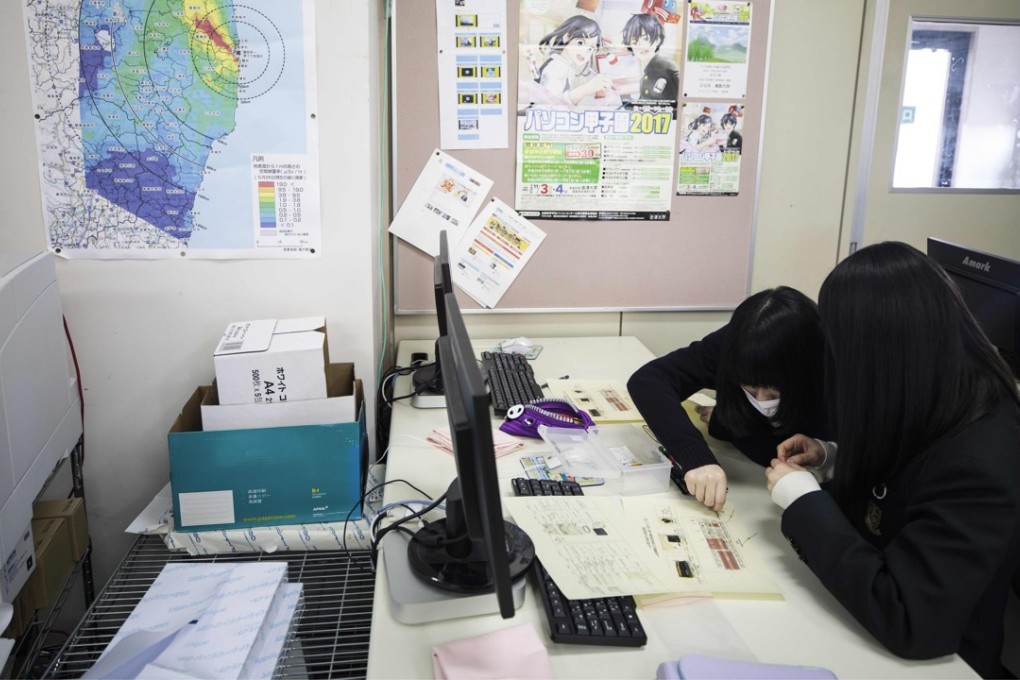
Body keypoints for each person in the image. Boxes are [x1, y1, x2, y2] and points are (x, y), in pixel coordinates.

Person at [766, 242, 1020, 679]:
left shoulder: (982, 453)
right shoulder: (929, 390)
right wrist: (833, 461)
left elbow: (911, 620)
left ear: (880, 350)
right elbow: (904, 490)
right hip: (858, 624)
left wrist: (805, 503)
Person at [628, 286, 827, 512]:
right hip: (751, 486)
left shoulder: (826, 364)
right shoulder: (740, 343)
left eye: (773, 394)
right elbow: (649, 380)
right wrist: (695, 456)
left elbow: (785, 451)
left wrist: (727, 424)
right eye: (749, 389)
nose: (761, 401)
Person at [534, 15, 612, 106]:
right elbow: (551, 105)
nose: (585, 51)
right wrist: (586, 89)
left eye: (591, 48)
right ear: (566, 38)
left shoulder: (565, 65)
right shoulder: (558, 66)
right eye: (580, 43)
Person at [621, 13, 679, 103]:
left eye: (646, 39)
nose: (641, 46)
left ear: (658, 39)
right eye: (635, 42)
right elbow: (641, 106)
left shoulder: (667, 66)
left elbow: (682, 101)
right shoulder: (644, 77)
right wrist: (622, 94)